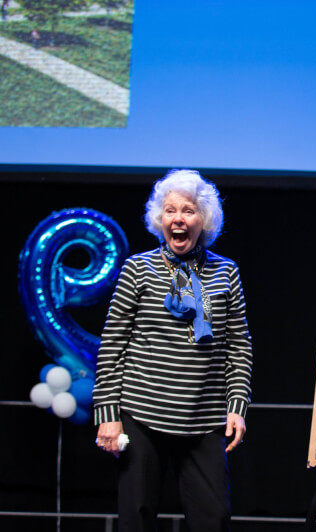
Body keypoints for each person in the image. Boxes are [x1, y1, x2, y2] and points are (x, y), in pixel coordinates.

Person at [93, 169, 254, 532]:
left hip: (204, 417)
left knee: (212, 521)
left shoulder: (226, 272)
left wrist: (237, 407)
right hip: (142, 413)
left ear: (204, 220)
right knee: (136, 518)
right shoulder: (138, 268)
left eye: (188, 211)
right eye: (170, 211)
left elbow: (239, 347)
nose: (178, 219)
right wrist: (107, 412)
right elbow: (112, 344)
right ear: (159, 219)